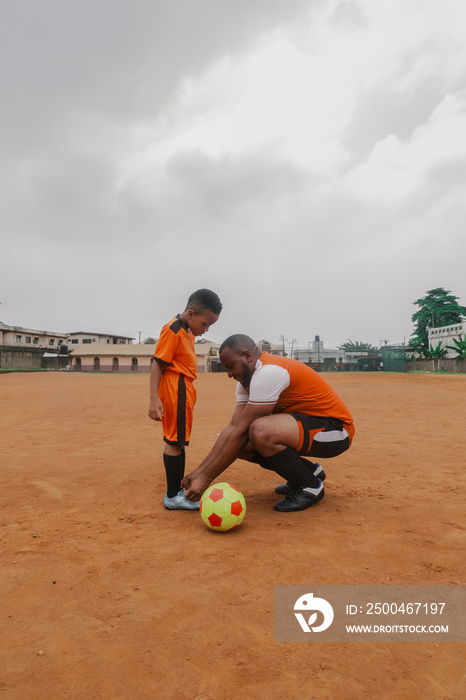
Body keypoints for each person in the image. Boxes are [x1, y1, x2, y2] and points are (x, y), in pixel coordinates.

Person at [182, 334, 355, 512]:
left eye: (230, 366)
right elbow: (233, 428)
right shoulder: (246, 381)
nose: (229, 374)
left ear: (247, 356)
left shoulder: (269, 372)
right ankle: (307, 473)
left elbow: (241, 431)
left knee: (259, 430)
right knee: (241, 444)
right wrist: (199, 471)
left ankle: (310, 487)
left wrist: (206, 478)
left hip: (336, 431)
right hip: (309, 428)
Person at [149, 289, 222, 510]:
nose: (206, 329)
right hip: (176, 387)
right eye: (205, 323)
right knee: (174, 440)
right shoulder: (173, 329)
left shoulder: (186, 329)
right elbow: (157, 363)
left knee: (179, 440)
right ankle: (172, 496)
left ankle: (177, 491)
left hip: (184, 387)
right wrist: (153, 399)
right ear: (191, 314)